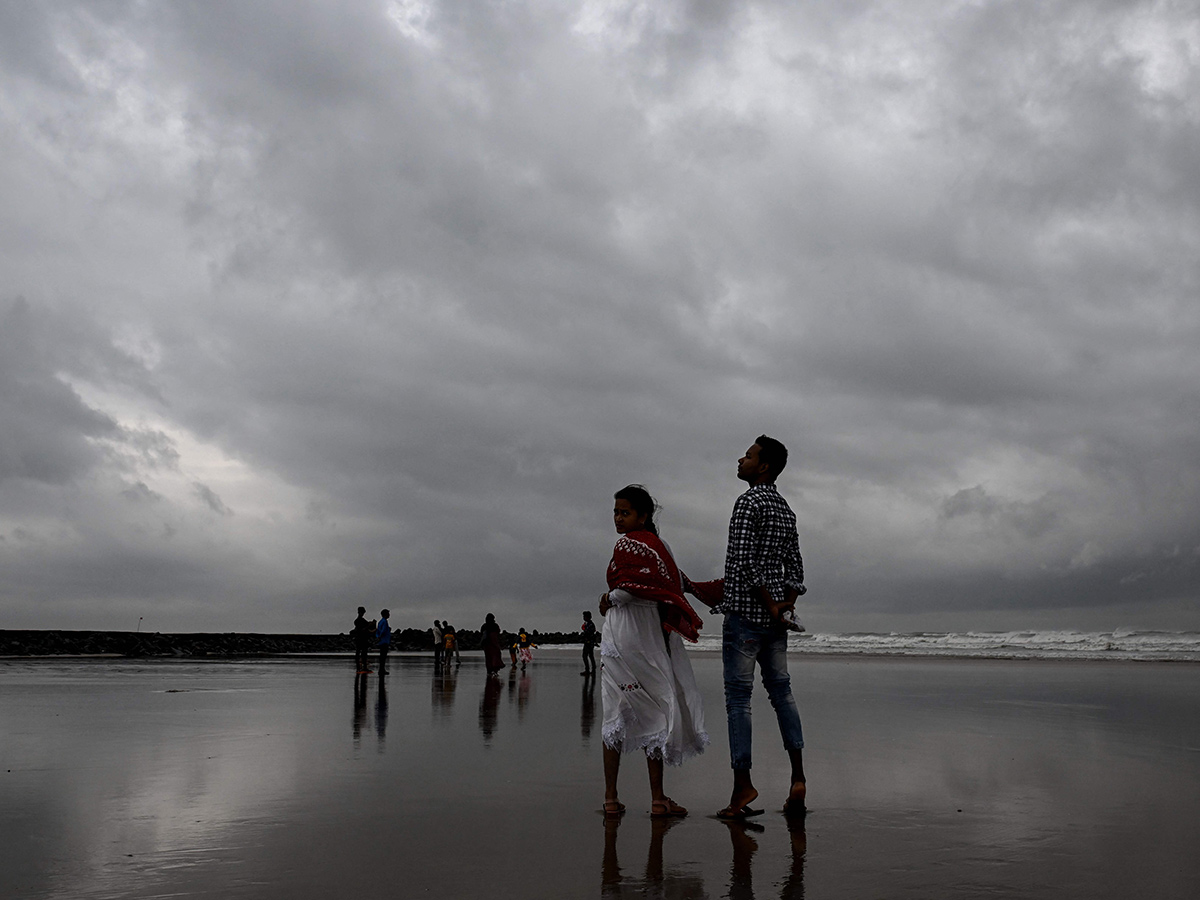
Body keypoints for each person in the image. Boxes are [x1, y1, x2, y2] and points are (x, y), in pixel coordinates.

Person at [690, 436, 808, 820]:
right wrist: (786, 602)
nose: (741, 459)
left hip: (745, 615)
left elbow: (743, 562)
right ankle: (798, 777)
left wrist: (770, 602)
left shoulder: (747, 503)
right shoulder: (785, 509)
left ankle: (743, 786)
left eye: (749, 455)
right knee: (782, 694)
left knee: (739, 701)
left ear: (764, 467)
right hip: (776, 623)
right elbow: (796, 566)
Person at [599, 484, 707, 819]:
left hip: (622, 632)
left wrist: (608, 599)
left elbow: (628, 592)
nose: (618, 518)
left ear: (643, 516)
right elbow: (670, 584)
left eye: (625, 512)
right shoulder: (660, 548)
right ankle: (658, 799)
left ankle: (611, 798)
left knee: (615, 709)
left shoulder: (632, 545)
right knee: (656, 707)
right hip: (642, 634)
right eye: (616, 512)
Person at [352, 606, 373, 673]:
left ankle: (361, 667)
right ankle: (361, 667)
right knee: (361, 653)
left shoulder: (359, 620)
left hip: (361, 639)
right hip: (361, 639)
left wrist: (370, 624)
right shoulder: (358, 621)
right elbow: (362, 629)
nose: (363, 613)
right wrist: (369, 625)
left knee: (361, 653)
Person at [580, 610, 598, 675]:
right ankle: (592, 670)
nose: (583, 618)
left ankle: (588, 670)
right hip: (590, 642)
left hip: (589, 642)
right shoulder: (588, 624)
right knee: (590, 656)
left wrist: (583, 632)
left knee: (585, 656)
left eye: (584, 616)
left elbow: (588, 633)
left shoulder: (590, 624)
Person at [376, 609, 392, 673]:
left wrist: (378, 636)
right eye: (388, 613)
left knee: (382, 656)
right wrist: (381, 635)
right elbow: (383, 630)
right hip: (384, 640)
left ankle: (381, 669)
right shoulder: (385, 621)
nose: (389, 615)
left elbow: (378, 631)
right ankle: (382, 669)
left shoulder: (380, 622)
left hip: (381, 641)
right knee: (383, 656)